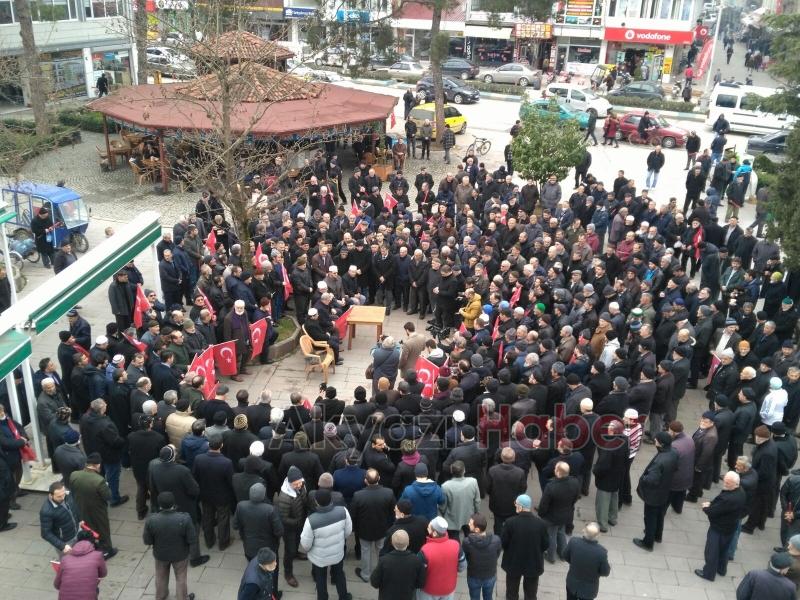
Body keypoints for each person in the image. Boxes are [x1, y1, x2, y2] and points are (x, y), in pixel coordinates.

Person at [142, 491, 198, 600]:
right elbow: (192, 539)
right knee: (181, 578)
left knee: (160, 577)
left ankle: (161, 596)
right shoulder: (184, 519)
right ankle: (181, 597)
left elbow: (147, 541)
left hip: (160, 554)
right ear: (173, 503)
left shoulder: (152, 520)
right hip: (180, 555)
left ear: (159, 504)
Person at [300, 487, 353, 600]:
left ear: (316, 502)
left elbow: (305, 544)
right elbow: (348, 531)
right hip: (337, 553)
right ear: (331, 499)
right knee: (339, 575)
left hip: (320, 557)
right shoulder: (343, 511)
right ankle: (344, 596)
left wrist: (310, 550)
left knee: (320, 579)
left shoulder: (311, 520)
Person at [695, 471, 747, 581]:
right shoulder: (741, 492)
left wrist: (706, 507)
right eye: (725, 481)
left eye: (728, 483)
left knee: (711, 551)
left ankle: (708, 574)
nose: (725, 484)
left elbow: (713, 511)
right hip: (731, 526)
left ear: (735, 483)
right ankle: (721, 569)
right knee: (724, 550)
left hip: (718, 528)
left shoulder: (727, 498)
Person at [633, 431, 678, 551]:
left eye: (656, 440)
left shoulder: (660, 461)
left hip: (654, 494)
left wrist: (643, 478)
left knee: (650, 517)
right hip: (665, 490)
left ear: (661, 444)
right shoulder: (674, 452)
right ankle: (658, 536)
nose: (655, 442)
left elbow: (651, 480)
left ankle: (648, 542)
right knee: (659, 515)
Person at [350, 468, 395, 582]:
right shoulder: (388, 493)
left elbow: (353, 515)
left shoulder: (358, 495)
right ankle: (382, 573)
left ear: (365, 480)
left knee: (365, 552)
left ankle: (366, 575)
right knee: (381, 551)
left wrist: (355, 528)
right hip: (382, 529)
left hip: (364, 530)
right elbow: (393, 512)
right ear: (379, 479)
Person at [501, 494, 549, 600]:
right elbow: (545, 544)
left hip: (513, 561)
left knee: (512, 590)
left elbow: (504, 543)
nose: (515, 507)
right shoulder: (541, 523)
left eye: (516, 505)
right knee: (531, 592)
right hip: (533, 562)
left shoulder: (510, 522)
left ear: (520, 507)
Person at [68, 452, 117, 559]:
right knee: (103, 530)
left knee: (88, 528)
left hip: (80, 507)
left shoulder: (74, 474)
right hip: (98, 510)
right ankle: (107, 550)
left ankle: (91, 546)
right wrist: (107, 486)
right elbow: (108, 496)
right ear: (98, 465)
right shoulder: (99, 481)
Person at [192, 434, 235, 550]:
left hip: (205, 495)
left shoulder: (199, 459)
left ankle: (209, 541)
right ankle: (223, 542)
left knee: (207, 517)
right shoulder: (227, 462)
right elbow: (231, 481)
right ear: (221, 445)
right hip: (222, 496)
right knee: (223, 519)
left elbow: (194, 477)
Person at [538, 461, 581, 563]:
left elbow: (544, 504)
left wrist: (541, 514)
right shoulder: (575, 482)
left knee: (551, 536)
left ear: (557, 472)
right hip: (566, 514)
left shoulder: (551, 486)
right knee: (561, 533)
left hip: (552, 517)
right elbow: (576, 497)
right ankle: (562, 554)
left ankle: (550, 557)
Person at [419, 515, 466, 600]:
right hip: (449, 589)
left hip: (429, 590)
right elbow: (462, 566)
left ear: (435, 533)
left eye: (429, 527)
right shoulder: (456, 545)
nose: (427, 528)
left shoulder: (425, 550)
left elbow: (420, 572)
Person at [371, 529, 426, 600]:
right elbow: (421, 583)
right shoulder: (417, 560)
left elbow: (374, 582)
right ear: (408, 543)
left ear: (392, 543)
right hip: (407, 596)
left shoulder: (384, 560)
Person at [53, 528, 107, 600]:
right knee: (95, 590)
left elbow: (57, 585)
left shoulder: (65, 559)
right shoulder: (98, 555)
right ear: (93, 542)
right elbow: (103, 574)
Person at [562, 522, 611, 600]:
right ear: (598, 535)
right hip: (588, 590)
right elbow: (605, 572)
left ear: (584, 531)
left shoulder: (574, 542)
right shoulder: (601, 552)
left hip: (572, 584)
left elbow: (565, 556)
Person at [277, 466, 307, 588]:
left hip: (299, 523)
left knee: (297, 541)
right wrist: (298, 522)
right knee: (289, 551)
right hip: (289, 529)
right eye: (295, 484)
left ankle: (296, 552)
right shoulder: (284, 497)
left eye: (300, 483)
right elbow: (283, 518)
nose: (299, 486)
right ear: (289, 484)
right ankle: (288, 574)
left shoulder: (302, 485)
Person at [461, 513, 502, 600]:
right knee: (488, 597)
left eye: (470, 524)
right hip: (490, 576)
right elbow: (497, 554)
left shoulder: (467, 542)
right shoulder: (496, 540)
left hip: (473, 576)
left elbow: (466, 557)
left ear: (476, 529)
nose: (468, 524)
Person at [40, 481, 80, 555]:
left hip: (77, 532)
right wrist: (62, 546)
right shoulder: (46, 511)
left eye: (63, 494)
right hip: (65, 541)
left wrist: (80, 520)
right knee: (67, 563)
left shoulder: (67, 495)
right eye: (59, 496)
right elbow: (45, 533)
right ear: (51, 495)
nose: (62, 498)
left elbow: (75, 508)